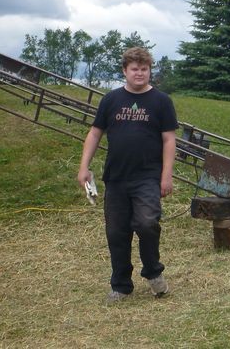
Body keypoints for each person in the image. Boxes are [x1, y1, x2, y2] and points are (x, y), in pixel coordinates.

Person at [77, 47, 178, 304]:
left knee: (147, 224)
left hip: (148, 177)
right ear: (125, 71)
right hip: (116, 178)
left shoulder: (161, 101)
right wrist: (84, 167)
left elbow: (169, 140)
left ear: (149, 71)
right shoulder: (111, 100)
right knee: (116, 232)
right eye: (134, 69)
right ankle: (121, 285)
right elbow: (95, 133)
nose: (139, 73)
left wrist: (167, 175)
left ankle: (153, 272)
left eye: (144, 69)